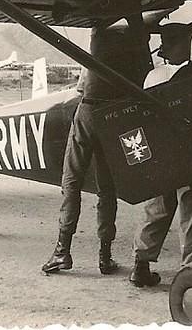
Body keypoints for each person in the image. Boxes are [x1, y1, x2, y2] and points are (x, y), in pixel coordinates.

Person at [42, 25, 150, 275]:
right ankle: (104, 256)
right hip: (114, 116)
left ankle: (62, 251)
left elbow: (81, 89)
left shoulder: (100, 33)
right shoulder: (133, 42)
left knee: (71, 181)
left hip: (89, 110)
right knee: (107, 187)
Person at [129, 23, 192, 287]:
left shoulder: (152, 76)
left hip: (161, 154)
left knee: (156, 209)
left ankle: (141, 265)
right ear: (181, 45)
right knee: (191, 212)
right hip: (189, 154)